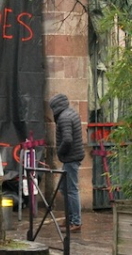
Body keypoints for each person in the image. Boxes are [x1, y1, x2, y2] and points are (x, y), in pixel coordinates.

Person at [49, 92, 85, 232]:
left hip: (70, 158)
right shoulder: (71, 113)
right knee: (64, 188)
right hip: (73, 157)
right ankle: (70, 218)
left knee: (71, 190)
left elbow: (68, 139)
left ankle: (75, 222)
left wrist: (60, 152)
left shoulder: (64, 118)